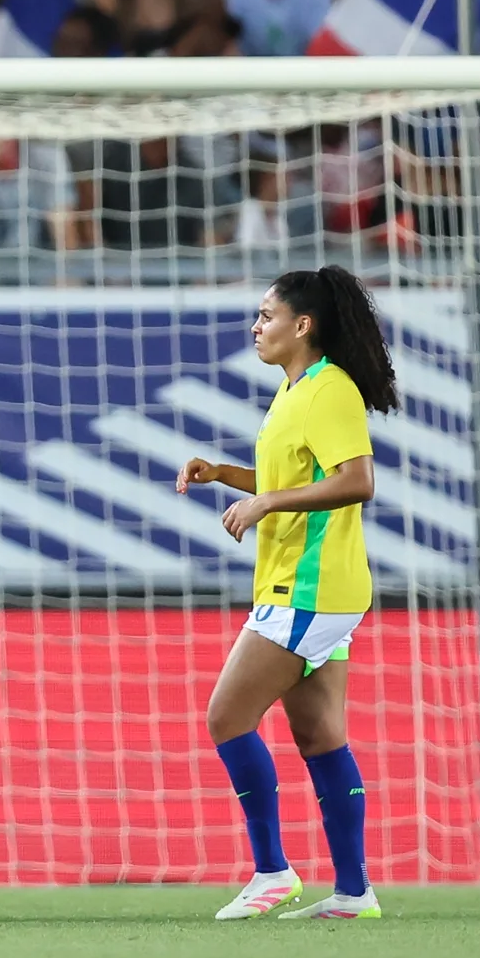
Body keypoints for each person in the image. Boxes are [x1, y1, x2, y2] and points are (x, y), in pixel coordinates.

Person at [176, 265, 399, 921]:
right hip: (312, 587)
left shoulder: (330, 390)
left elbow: (357, 482)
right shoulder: (296, 390)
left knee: (226, 717)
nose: (256, 326)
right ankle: (354, 893)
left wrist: (269, 501)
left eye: (267, 316)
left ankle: (272, 871)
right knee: (319, 733)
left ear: (304, 326)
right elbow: (292, 478)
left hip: (307, 588)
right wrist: (227, 476)